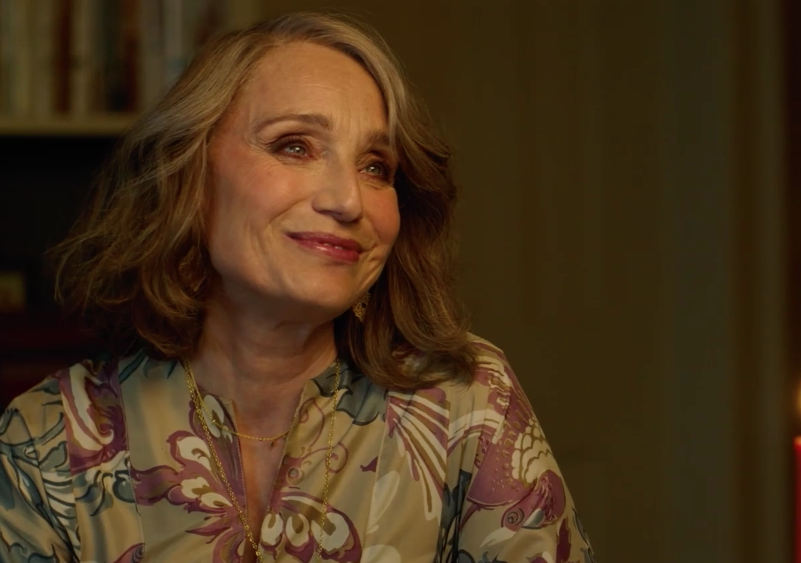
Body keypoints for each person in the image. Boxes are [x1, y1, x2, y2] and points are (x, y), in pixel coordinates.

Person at [0, 12, 594, 563]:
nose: (347, 200)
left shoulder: (466, 403)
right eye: (295, 146)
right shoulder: (45, 440)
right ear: (188, 174)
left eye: (376, 166)